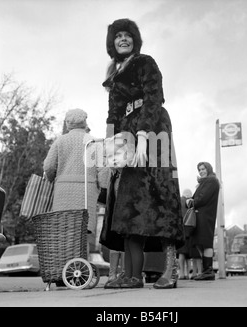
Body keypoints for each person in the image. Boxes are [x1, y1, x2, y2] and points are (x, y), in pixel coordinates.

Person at [99, 18, 184, 289]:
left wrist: (145, 137)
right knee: (129, 202)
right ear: (112, 42)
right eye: (118, 36)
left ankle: (171, 271)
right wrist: (112, 153)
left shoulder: (145, 61)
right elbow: (112, 115)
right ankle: (133, 275)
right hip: (126, 135)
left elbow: (153, 97)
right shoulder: (113, 75)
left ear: (135, 39)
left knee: (162, 194)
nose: (123, 39)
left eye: (127, 35)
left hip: (154, 127)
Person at [43, 108, 109, 250]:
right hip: (87, 192)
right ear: (85, 122)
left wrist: (51, 178)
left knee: (64, 229)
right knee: (82, 231)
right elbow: (103, 172)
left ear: (68, 123)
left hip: (63, 192)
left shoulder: (60, 141)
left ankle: (63, 263)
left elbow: (48, 166)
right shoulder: (94, 142)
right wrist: (102, 187)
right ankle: (80, 264)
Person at [187, 161, 220, 281]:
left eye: (203, 169)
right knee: (200, 243)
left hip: (205, 216)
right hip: (201, 216)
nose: (201, 171)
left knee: (206, 243)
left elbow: (202, 198)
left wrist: (191, 202)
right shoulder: (206, 182)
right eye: (199, 170)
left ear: (208, 169)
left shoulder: (211, 181)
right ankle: (206, 270)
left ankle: (208, 271)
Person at [176, 188, 193, 280]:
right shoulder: (189, 202)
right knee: (186, 254)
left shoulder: (179, 200)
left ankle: (182, 273)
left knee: (181, 253)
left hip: (181, 229)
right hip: (189, 229)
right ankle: (186, 273)